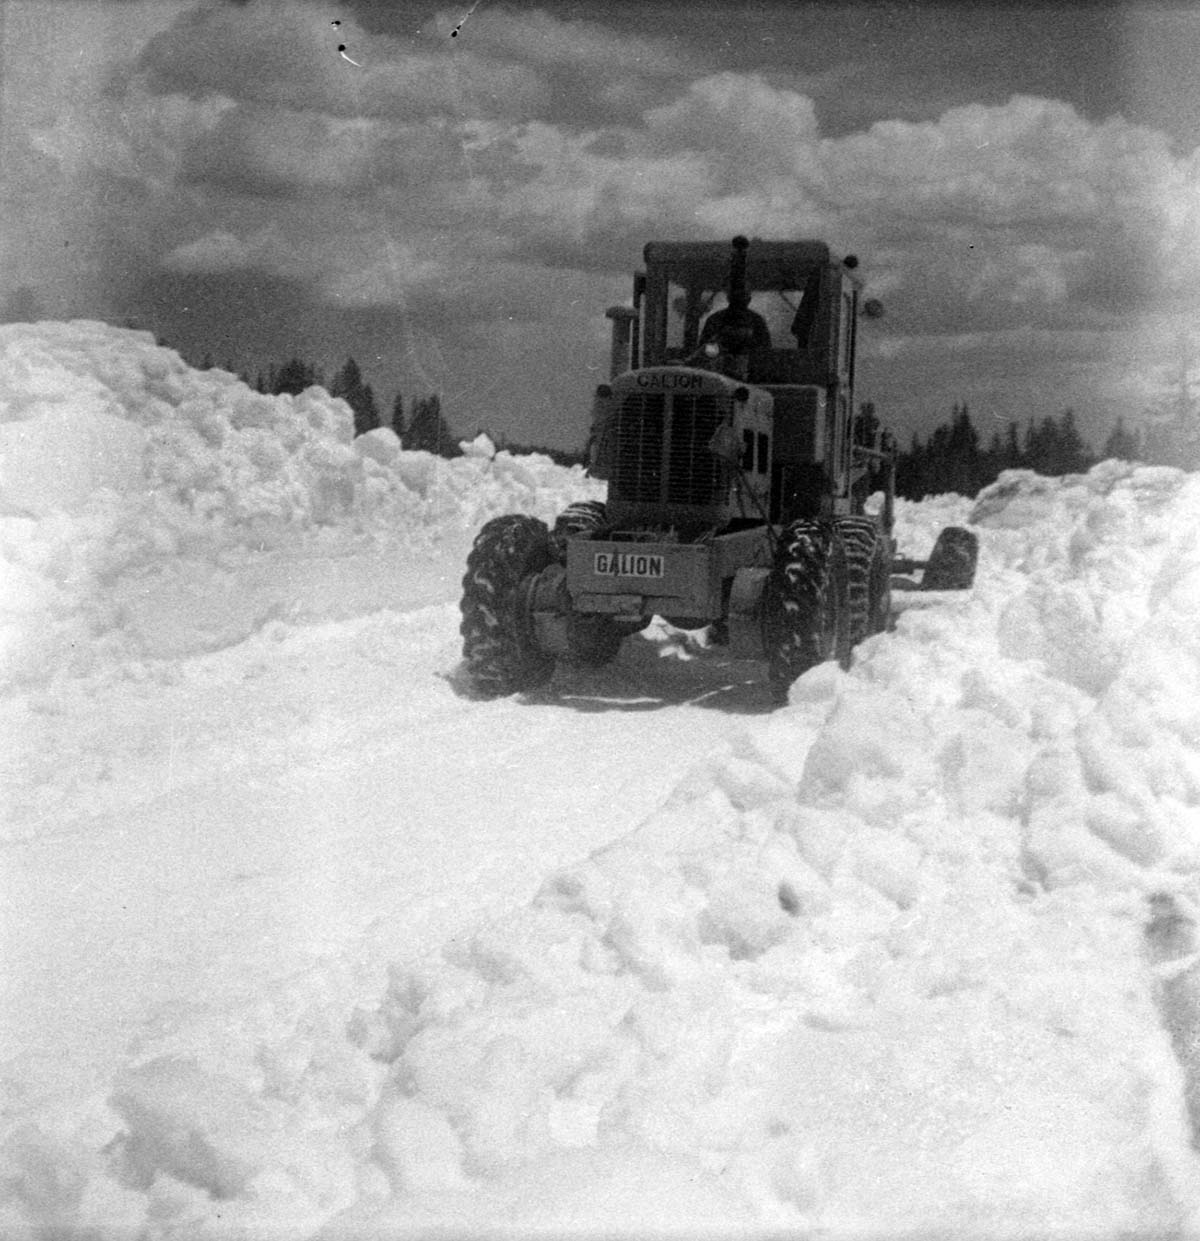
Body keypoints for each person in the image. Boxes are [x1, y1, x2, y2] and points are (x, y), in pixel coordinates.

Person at [698, 290, 771, 354]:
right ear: (729, 298)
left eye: (742, 296)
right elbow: (703, 349)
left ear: (748, 299)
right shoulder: (715, 319)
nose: (739, 301)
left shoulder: (757, 321)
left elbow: (765, 350)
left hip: (750, 365)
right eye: (736, 297)